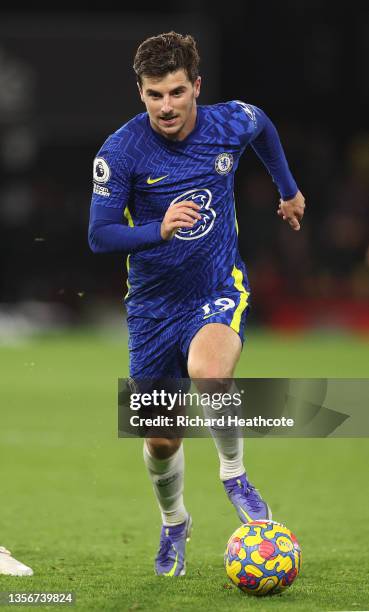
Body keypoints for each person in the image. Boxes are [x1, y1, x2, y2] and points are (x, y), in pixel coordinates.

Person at [88, 31, 305, 577]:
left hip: (216, 287)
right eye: (155, 94)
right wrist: (157, 229)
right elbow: (100, 236)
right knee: (161, 440)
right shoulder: (121, 152)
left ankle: (234, 474)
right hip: (153, 309)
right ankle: (174, 523)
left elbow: (264, 127)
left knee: (209, 374)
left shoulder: (228, 122)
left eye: (177, 92)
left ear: (196, 87)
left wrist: (288, 190)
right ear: (140, 92)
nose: (167, 106)